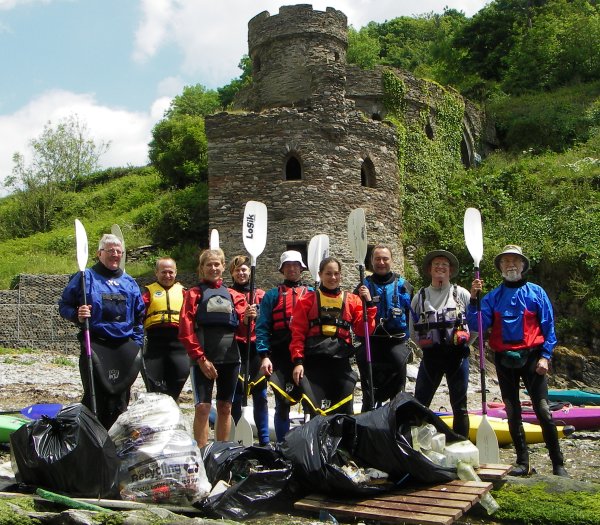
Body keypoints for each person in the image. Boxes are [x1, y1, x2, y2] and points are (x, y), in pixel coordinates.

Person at [468, 245, 569, 477]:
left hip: (533, 358)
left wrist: (545, 356)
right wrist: (473, 299)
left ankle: (558, 462)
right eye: (505, 262)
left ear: (523, 266)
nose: (510, 264)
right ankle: (522, 462)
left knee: (543, 411)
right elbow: (477, 326)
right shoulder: (492, 297)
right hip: (504, 360)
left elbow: (549, 327)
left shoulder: (536, 293)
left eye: (515, 261)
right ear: (500, 267)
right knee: (512, 412)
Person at [59, 233, 145, 430]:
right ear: (99, 253)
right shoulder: (84, 277)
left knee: (121, 400)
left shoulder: (129, 282)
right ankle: (91, 441)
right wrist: (77, 314)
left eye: (119, 251)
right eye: (110, 251)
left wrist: (137, 344)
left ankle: (116, 444)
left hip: (124, 346)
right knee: (95, 396)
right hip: (96, 343)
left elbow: (140, 316)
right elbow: (64, 305)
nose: (115, 254)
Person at [290, 257, 376, 416]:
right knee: (316, 414)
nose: (333, 277)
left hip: (340, 363)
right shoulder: (307, 300)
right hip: (314, 363)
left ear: (341, 275)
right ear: (320, 274)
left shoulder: (352, 300)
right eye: (328, 273)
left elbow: (364, 331)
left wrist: (369, 304)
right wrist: (298, 362)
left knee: (344, 412)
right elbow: (298, 334)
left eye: (336, 273)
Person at [178, 248, 246, 446]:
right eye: (209, 265)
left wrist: (250, 319)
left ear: (224, 267)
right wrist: (200, 358)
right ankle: (201, 453)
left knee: (225, 407)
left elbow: (243, 329)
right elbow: (185, 330)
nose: (213, 268)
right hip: (203, 359)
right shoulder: (193, 295)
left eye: (217, 264)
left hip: (231, 359)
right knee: (202, 408)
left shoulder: (234, 295)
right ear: (202, 268)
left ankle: (221, 452)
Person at [410, 250, 472, 438]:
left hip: (457, 356)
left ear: (450, 270)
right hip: (431, 356)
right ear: (429, 269)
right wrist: (425, 347)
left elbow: (475, 325)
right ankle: (417, 446)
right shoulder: (420, 297)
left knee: (460, 405)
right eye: (436, 264)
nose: (440, 267)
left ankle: (462, 443)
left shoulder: (461, 294)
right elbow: (412, 329)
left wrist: (465, 343)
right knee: (420, 402)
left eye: (444, 265)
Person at [257, 250, 311, 442]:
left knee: (309, 402)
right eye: (288, 265)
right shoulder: (272, 296)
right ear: (282, 269)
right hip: (279, 354)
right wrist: (264, 355)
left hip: (305, 354)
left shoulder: (312, 293)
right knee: (282, 402)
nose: (292, 269)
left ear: (301, 268)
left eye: (296, 265)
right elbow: (262, 326)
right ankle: (282, 446)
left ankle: (307, 445)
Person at [356, 244, 413, 412]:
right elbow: (356, 317)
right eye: (377, 259)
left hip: (396, 344)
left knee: (397, 394)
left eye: (385, 259)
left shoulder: (404, 285)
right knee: (369, 397)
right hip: (371, 344)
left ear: (391, 261)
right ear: (372, 262)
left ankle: (396, 428)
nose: (381, 262)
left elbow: (413, 315)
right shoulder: (362, 286)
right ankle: (367, 428)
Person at [228, 255, 269, 446]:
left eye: (244, 269)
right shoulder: (226, 294)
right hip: (236, 348)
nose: (241, 273)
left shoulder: (260, 295)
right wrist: (243, 320)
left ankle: (265, 441)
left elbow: (268, 323)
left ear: (250, 272)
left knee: (260, 395)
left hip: (256, 350)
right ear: (232, 273)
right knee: (236, 395)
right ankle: (237, 439)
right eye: (237, 270)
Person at [141, 257, 188, 401]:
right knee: (154, 387)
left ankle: (172, 411)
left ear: (176, 273)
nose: (167, 276)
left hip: (178, 345)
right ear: (156, 273)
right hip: (155, 345)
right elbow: (137, 314)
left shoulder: (184, 293)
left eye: (170, 272)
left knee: (177, 384)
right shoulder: (148, 293)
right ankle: (156, 414)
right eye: (163, 272)